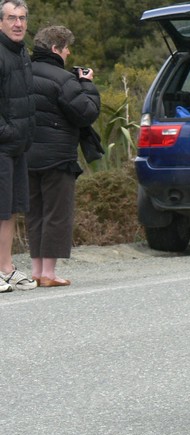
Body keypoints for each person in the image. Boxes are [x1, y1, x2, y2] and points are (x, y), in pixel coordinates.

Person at [25, 25, 101, 287]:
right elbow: (86, 113)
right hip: (57, 157)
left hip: (25, 155)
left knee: (34, 213)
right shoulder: (64, 79)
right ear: (56, 48)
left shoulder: (21, 72)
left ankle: (35, 270)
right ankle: (49, 273)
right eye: (67, 48)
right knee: (57, 213)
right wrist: (87, 85)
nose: (69, 53)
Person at [0, 0, 37, 293]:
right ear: (0, 21)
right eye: (12, 18)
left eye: (22, 18)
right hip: (3, 142)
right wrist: (8, 132)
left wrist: (22, 134)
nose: (18, 23)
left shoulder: (22, 52)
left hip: (18, 145)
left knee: (10, 208)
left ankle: (6, 268)